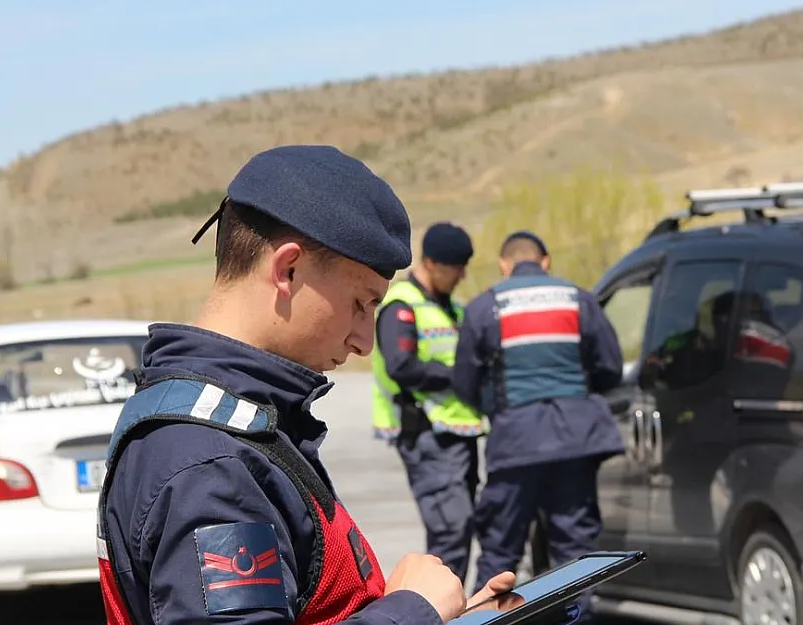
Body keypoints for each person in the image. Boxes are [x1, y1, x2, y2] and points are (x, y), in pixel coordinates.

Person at [95, 144, 515, 625]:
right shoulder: (210, 461)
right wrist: (411, 612)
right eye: (361, 303)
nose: (364, 342)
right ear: (287, 269)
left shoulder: (240, 429)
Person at [452, 230, 626, 621]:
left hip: (515, 445)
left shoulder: (485, 308)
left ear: (504, 264)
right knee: (576, 552)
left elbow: (463, 381)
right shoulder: (578, 299)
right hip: (576, 443)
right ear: (545, 261)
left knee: (500, 550)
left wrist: (497, 408)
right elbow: (610, 367)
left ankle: (488, 621)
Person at [371, 222, 486, 584]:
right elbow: (401, 366)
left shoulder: (451, 308)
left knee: (460, 529)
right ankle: (439, 613)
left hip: (456, 433)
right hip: (425, 434)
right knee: (451, 530)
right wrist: (459, 375)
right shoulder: (402, 306)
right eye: (456, 267)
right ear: (433, 263)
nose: (462, 275)